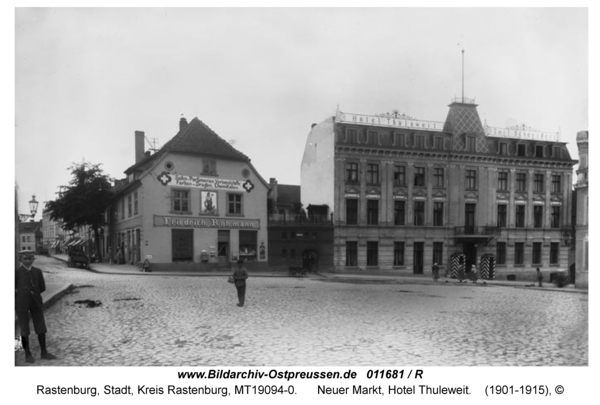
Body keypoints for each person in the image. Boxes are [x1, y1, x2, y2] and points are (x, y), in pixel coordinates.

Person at [15, 251, 56, 363]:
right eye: (25, 258)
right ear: (20, 260)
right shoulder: (16, 273)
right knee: (24, 328)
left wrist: (34, 294)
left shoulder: (37, 272)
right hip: (21, 304)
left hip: (36, 303)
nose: (27, 261)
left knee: (40, 327)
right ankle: (27, 354)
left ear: (33, 259)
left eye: (30, 258)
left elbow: (42, 288)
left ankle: (44, 352)